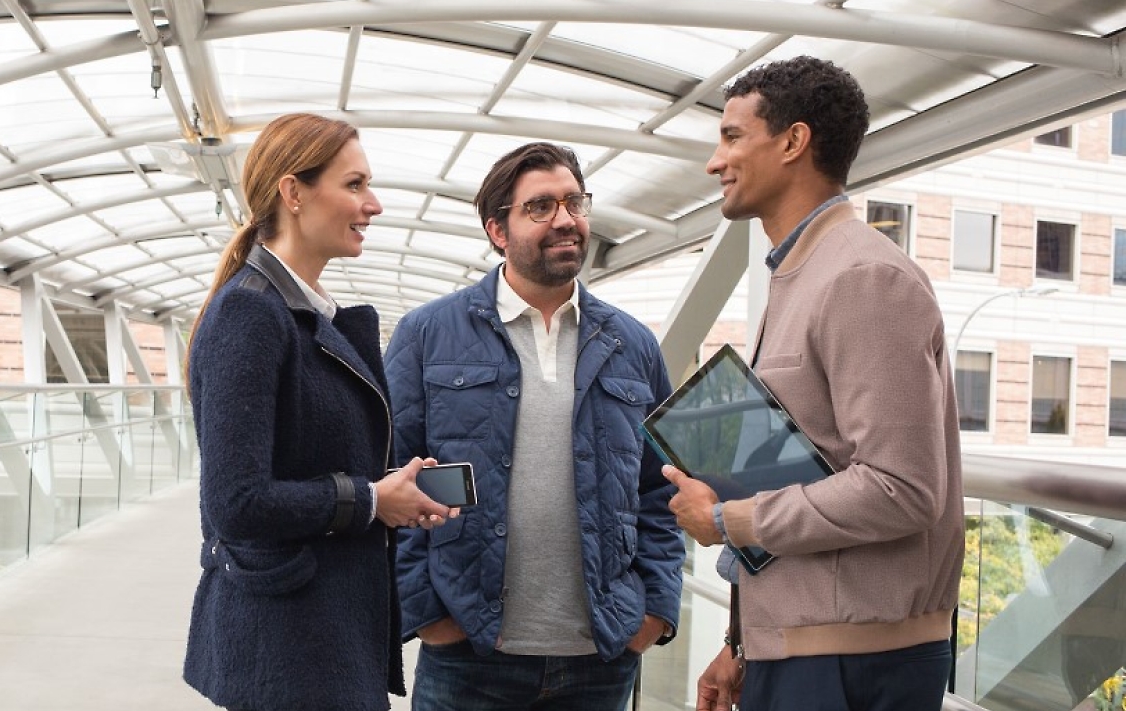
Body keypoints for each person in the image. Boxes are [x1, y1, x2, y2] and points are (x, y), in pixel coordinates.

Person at [662, 56, 966, 711]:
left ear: (794, 142)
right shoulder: (802, 273)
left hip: (852, 665)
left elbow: (901, 489)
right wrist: (745, 642)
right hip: (808, 651)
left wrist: (726, 518)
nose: (715, 162)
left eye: (733, 136)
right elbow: (818, 462)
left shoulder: (861, 277)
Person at [384, 141, 684, 711]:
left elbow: (661, 488)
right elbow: (392, 474)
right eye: (540, 207)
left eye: (575, 202)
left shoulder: (632, 345)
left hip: (600, 657)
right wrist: (427, 612)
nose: (566, 219)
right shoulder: (427, 335)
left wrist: (654, 613)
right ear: (498, 230)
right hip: (467, 653)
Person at [182, 112, 457, 711]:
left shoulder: (304, 315)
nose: (374, 204)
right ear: (293, 192)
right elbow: (235, 502)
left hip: (319, 634)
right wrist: (371, 500)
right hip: (289, 648)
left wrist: (390, 495)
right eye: (354, 185)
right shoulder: (250, 316)